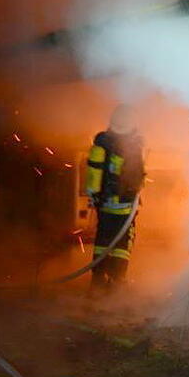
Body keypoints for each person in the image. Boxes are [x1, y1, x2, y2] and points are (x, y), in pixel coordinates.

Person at [84, 104, 145, 294]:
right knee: (122, 243)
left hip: (103, 204)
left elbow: (94, 174)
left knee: (103, 239)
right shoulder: (132, 148)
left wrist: (94, 196)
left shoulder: (101, 143)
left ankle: (97, 279)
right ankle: (117, 280)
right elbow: (135, 178)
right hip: (125, 206)